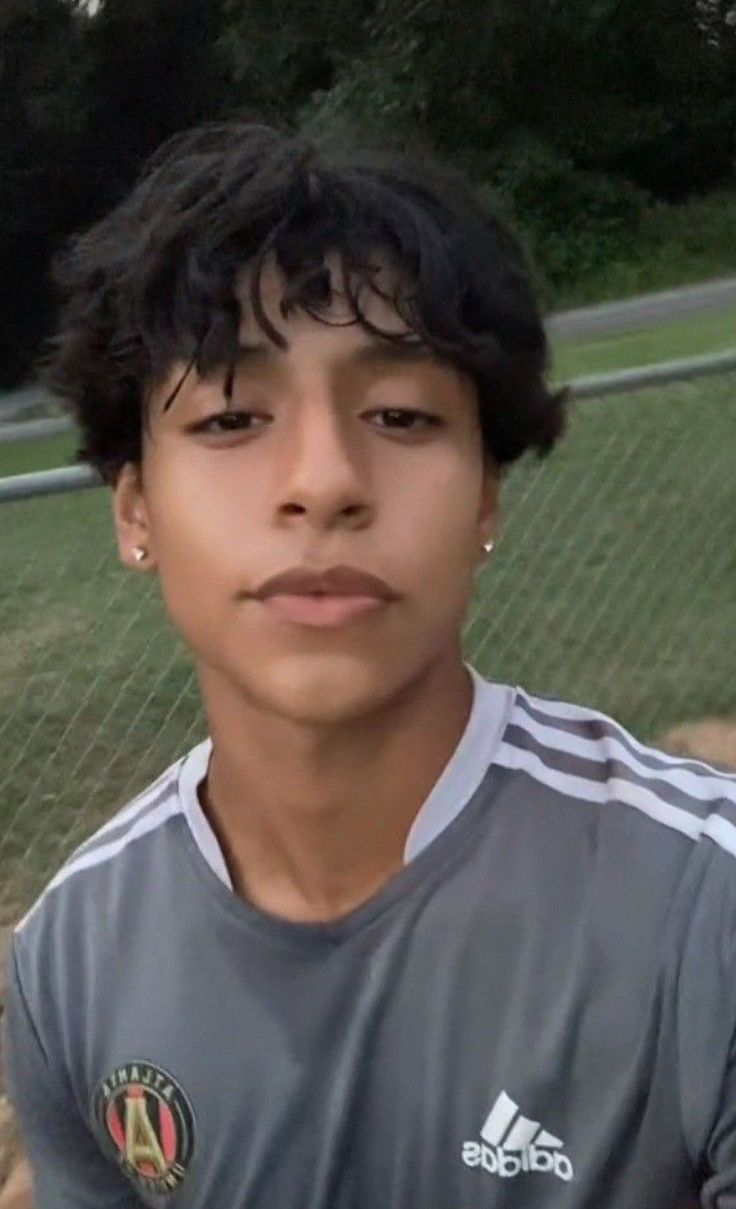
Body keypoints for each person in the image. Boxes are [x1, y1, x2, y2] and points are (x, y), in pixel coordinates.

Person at [2, 120, 735, 1209]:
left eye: (399, 414)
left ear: (486, 493)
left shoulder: (703, 912)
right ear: (134, 506)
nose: (324, 480)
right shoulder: (69, 965)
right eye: (232, 415)